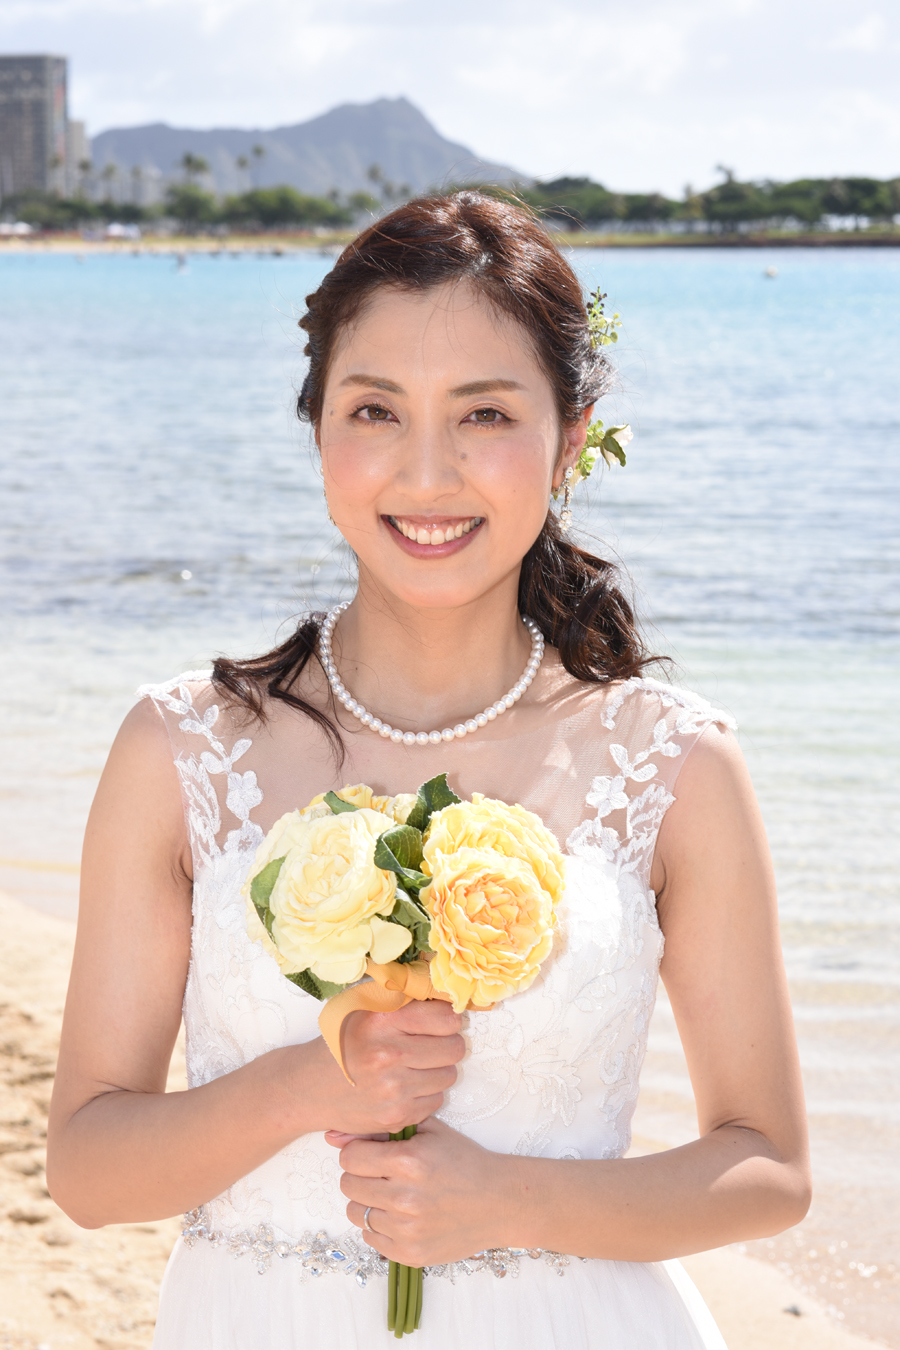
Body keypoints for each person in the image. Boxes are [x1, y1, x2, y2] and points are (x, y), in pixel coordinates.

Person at [47, 192, 810, 1349]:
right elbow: (89, 1174)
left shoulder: (676, 762)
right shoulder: (181, 750)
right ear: (319, 435)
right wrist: (304, 1087)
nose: (428, 472)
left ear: (569, 438)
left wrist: (509, 1199)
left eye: (485, 413)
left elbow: (770, 1168)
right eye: (376, 410)